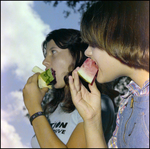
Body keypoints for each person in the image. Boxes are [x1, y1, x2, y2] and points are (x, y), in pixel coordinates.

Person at [69, 1, 149, 148]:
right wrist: (92, 119)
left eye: (93, 44)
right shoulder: (128, 103)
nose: (87, 52)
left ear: (122, 38)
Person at [23, 28, 116, 148]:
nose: (45, 62)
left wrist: (34, 109)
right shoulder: (54, 109)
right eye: (46, 55)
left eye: (53, 52)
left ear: (78, 55)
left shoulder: (99, 104)